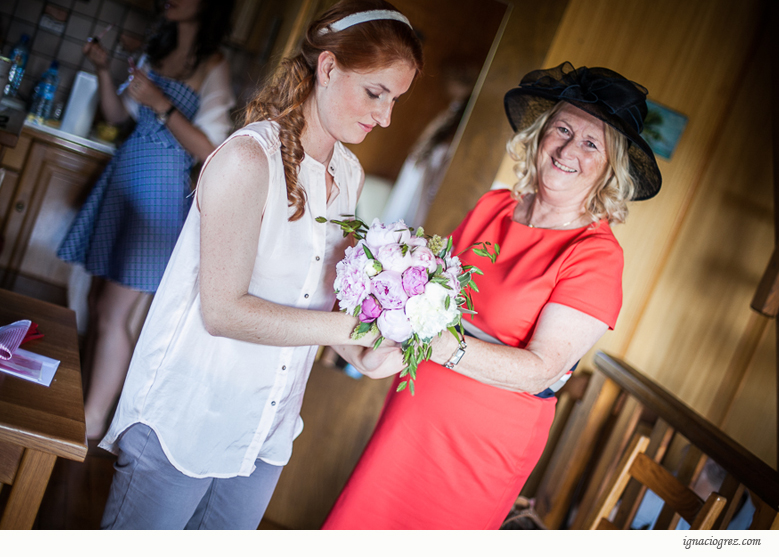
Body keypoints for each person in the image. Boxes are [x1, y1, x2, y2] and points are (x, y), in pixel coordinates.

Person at [96, 0, 423, 530]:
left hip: (265, 428)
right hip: (188, 416)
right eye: (375, 92)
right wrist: (347, 326)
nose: (385, 116)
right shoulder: (248, 159)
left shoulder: (349, 173)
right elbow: (223, 312)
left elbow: (305, 299)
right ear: (329, 67)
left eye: (395, 101)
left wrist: (363, 350)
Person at [322, 61, 663, 529]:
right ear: (541, 133)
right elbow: (429, 295)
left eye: (591, 143)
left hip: (480, 446)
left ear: (610, 166)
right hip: (411, 413)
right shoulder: (493, 205)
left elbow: (541, 368)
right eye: (562, 129)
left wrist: (442, 346)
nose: (568, 149)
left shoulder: (596, 255)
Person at [57, 0, 237, 440]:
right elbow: (118, 116)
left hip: (159, 198)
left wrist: (160, 103)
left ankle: (95, 421)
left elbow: (211, 150)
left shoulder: (213, 64)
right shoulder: (155, 52)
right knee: (101, 306)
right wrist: (103, 70)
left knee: (113, 315)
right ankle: (91, 414)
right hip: (123, 183)